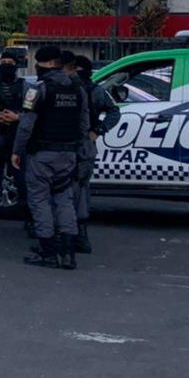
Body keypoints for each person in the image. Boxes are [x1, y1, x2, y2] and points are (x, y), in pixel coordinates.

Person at [12, 46, 89, 270]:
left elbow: (26, 125)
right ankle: (68, 254)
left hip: (42, 154)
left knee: (40, 201)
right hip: (69, 153)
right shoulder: (78, 89)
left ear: (45, 64)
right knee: (65, 200)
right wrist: (79, 149)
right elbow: (83, 123)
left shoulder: (38, 89)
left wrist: (17, 150)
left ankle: (48, 252)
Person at [72, 55, 120, 254]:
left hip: (81, 144)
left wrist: (98, 131)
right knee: (78, 190)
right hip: (75, 145)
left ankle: (78, 234)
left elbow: (114, 112)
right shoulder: (90, 90)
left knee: (79, 189)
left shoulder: (95, 91)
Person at [0, 47, 28, 232]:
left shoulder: (25, 86)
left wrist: (18, 117)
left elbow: (33, 112)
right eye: (3, 63)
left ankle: (29, 218)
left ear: (16, 66)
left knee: (22, 179)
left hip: (17, 138)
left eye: (10, 64)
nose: (7, 66)